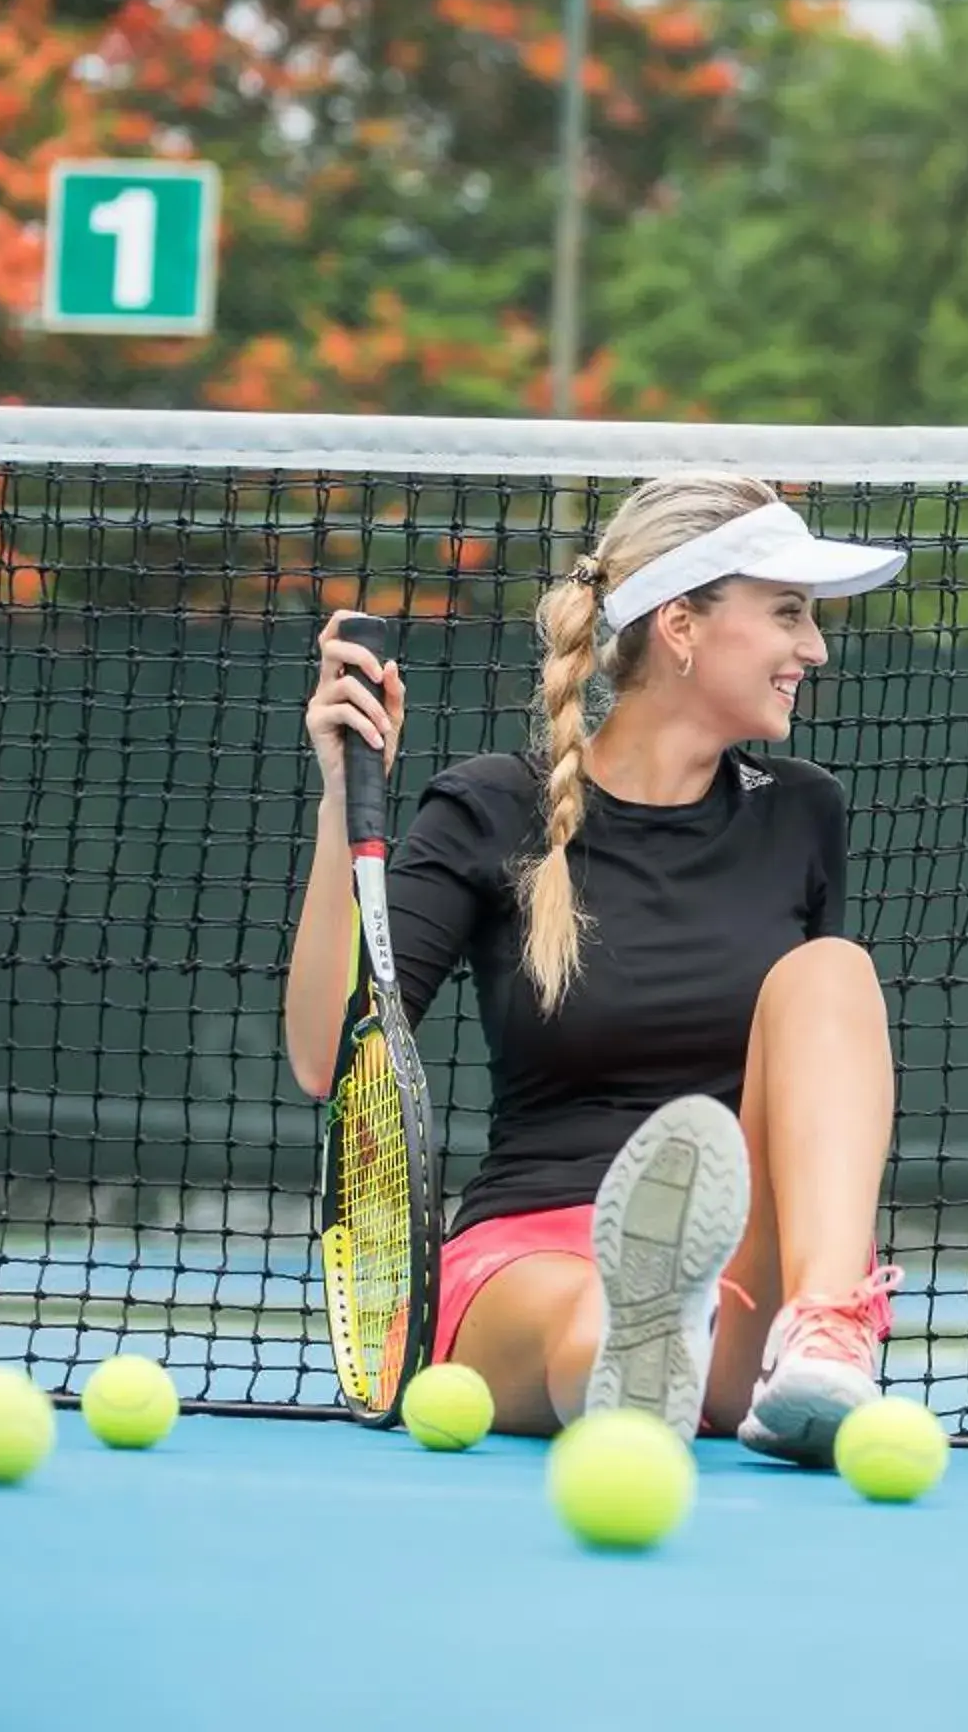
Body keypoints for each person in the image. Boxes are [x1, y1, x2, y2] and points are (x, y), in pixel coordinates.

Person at [284, 473, 909, 1465]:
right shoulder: (490, 807)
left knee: (832, 972)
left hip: (742, 1286)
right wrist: (340, 801)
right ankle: (635, 1350)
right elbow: (329, 1054)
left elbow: (812, 1095)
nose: (814, 647)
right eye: (788, 612)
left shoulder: (802, 812)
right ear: (682, 625)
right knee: (598, 1311)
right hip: (531, 1257)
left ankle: (825, 1329)